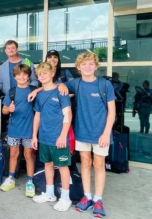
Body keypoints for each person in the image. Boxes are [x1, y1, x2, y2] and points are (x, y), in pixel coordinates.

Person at [64, 52, 116, 218]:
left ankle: (98, 199)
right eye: (84, 64)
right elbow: (56, 87)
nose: (87, 67)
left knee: (99, 165)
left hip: (101, 134)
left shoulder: (104, 85)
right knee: (85, 163)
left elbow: (112, 111)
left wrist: (106, 133)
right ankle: (87, 197)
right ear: (78, 67)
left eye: (91, 63)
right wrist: (38, 91)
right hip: (82, 132)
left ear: (96, 66)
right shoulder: (76, 84)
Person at [31, 62, 73, 212]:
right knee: (47, 165)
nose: (42, 76)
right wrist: (34, 136)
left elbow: (68, 114)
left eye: (45, 73)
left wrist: (63, 136)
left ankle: (66, 197)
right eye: (39, 74)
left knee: (62, 167)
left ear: (52, 74)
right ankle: (50, 194)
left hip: (58, 138)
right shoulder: (40, 94)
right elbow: (37, 116)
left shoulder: (61, 91)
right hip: (44, 138)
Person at [0, 64, 36, 197]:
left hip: (29, 130)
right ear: (15, 77)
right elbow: (4, 110)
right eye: (19, 74)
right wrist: (9, 109)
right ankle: (10, 178)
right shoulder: (11, 91)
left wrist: (37, 91)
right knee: (13, 154)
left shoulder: (34, 90)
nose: (22, 77)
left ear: (28, 76)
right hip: (14, 129)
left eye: (25, 74)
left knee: (28, 156)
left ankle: (30, 181)